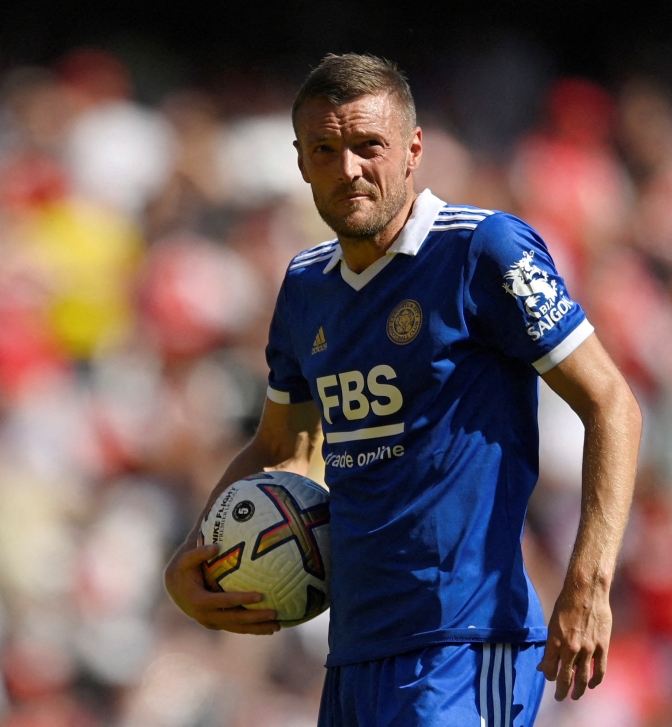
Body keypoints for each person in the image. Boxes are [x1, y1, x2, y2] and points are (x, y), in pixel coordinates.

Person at [164, 53, 641, 727]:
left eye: (369, 146)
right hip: (356, 656)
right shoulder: (306, 287)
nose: (349, 169)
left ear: (413, 149)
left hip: (468, 645)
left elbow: (611, 402)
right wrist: (194, 556)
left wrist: (589, 582)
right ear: (301, 161)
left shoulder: (483, 252)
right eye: (326, 150)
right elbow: (281, 449)